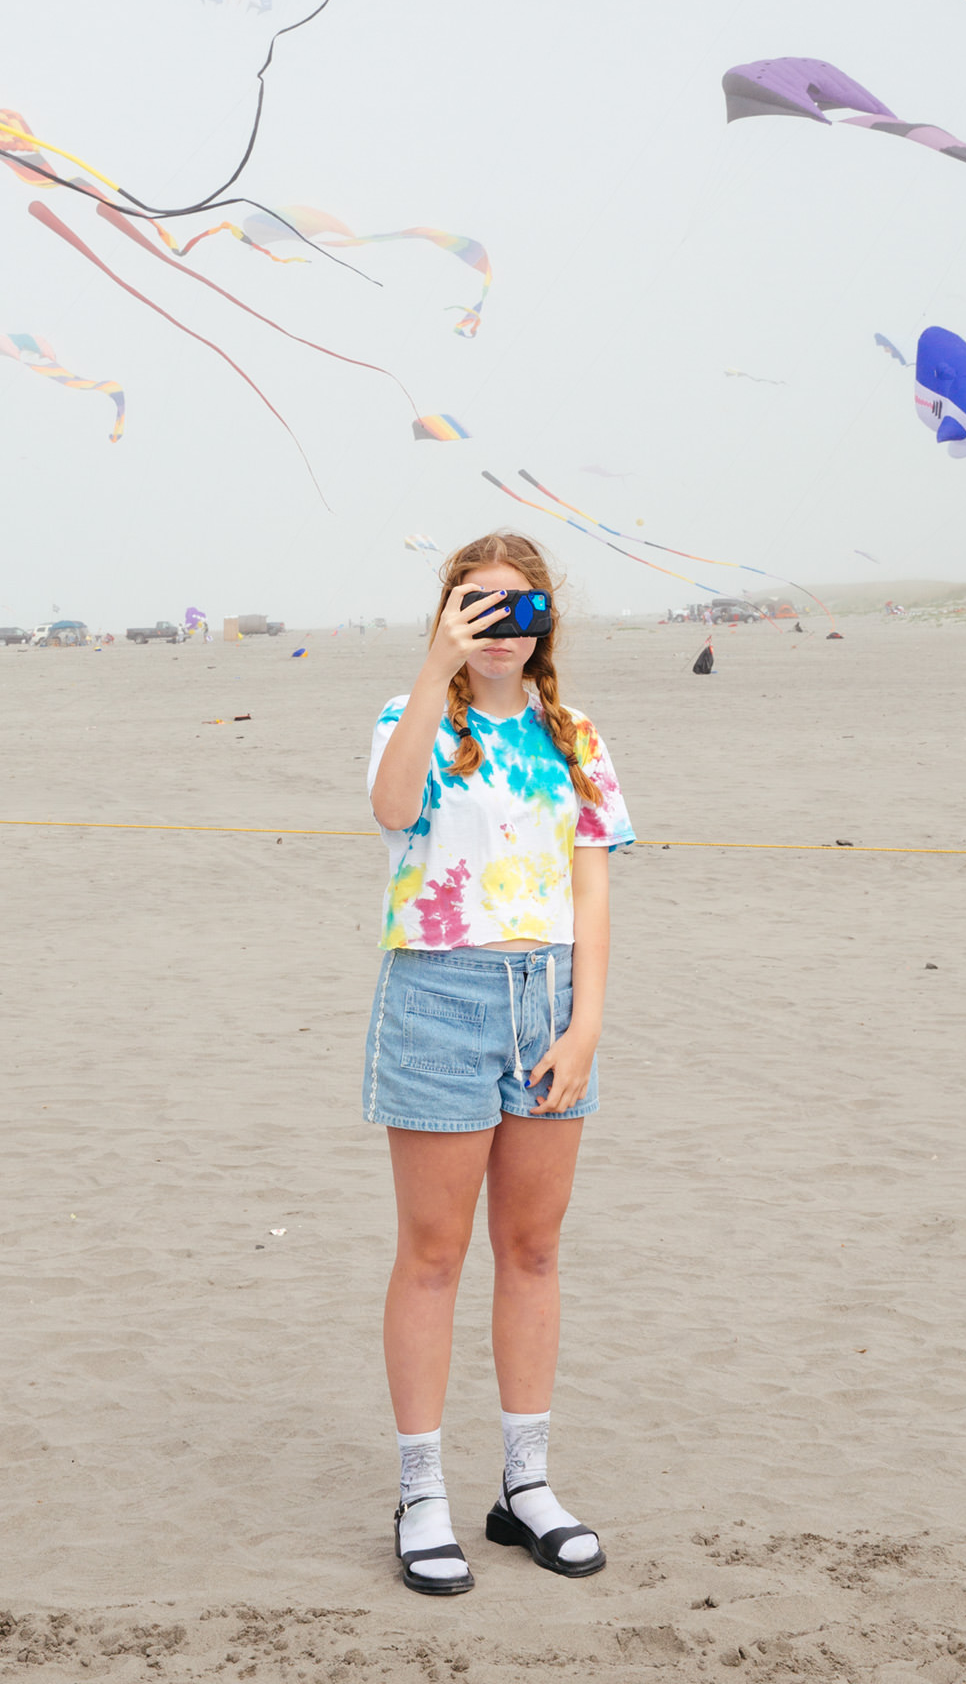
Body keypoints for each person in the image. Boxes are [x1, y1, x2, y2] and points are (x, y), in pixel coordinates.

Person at [365, 533, 633, 1599]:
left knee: (532, 1248)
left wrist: (586, 1026)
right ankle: (421, 1493)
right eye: (475, 607)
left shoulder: (573, 734)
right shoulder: (412, 718)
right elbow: (392, 813)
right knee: (432, 1252)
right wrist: (434, 673)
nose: (498, 627)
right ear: (445, 616)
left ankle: (525, 1486)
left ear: (546, 625)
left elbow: (594, 889)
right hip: (440, 992)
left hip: (549, 1003)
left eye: (518, 609)